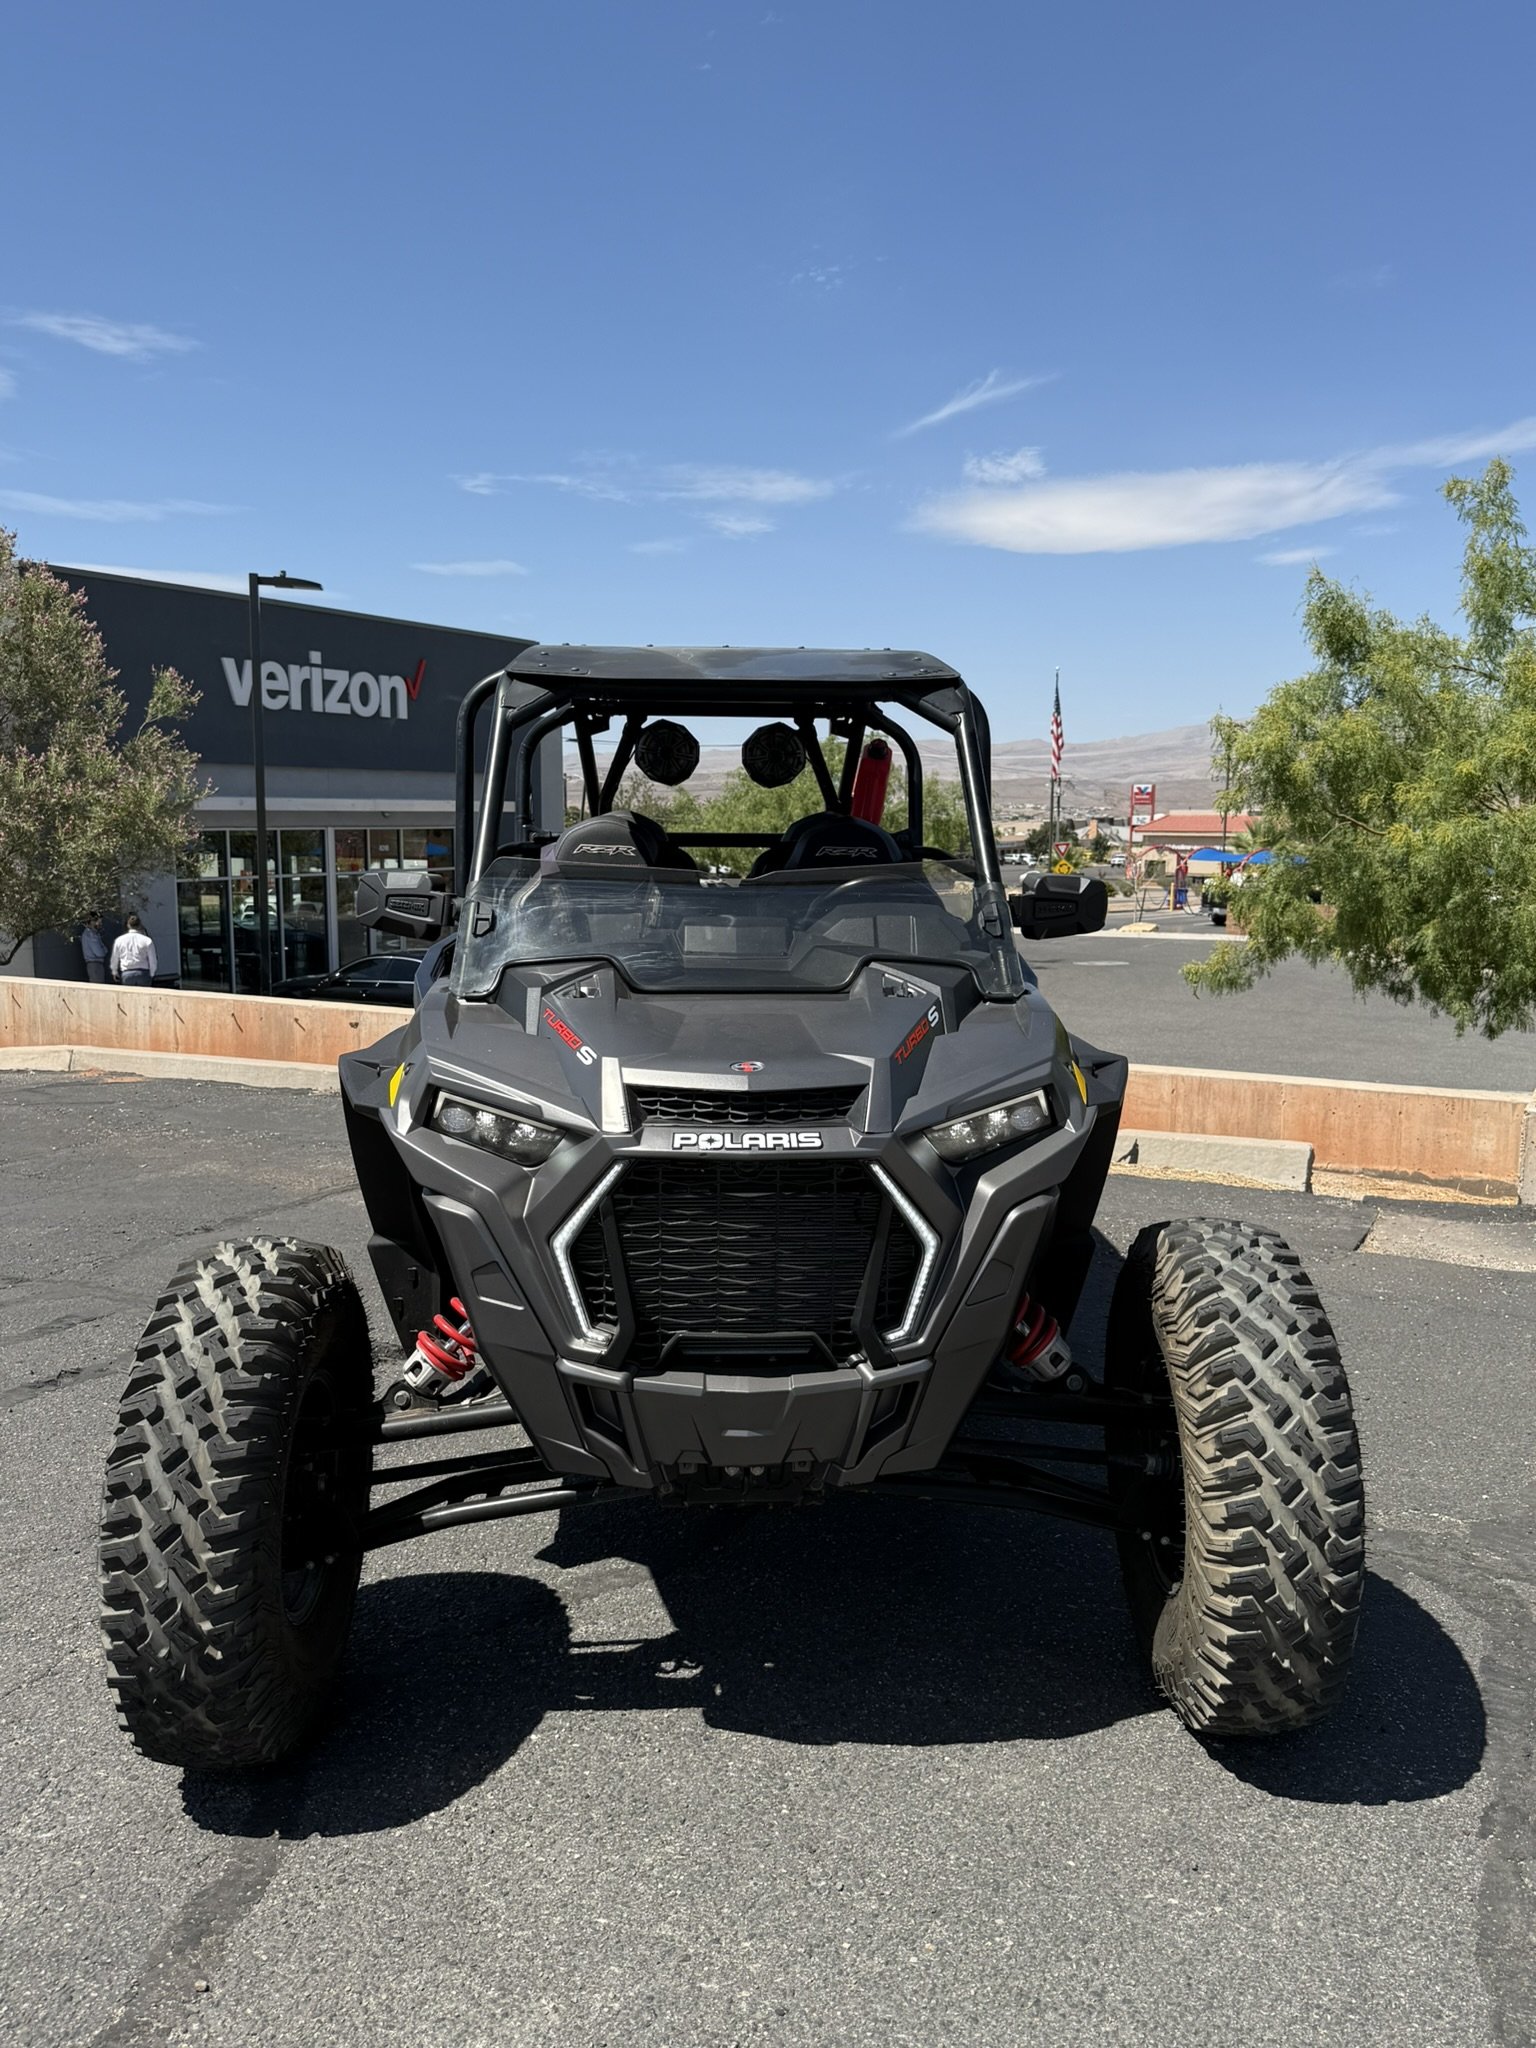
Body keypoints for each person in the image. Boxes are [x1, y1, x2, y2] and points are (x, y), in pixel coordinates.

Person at [110, 914, 158, 988]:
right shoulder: (147, 940)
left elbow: (115, 958)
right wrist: (152, 974)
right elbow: (153, 960)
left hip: (127, 973)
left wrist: (114, 972)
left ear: (128, 925)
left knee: (129, 998)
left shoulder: (119, 940)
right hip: (143, 973)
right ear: (140, 925)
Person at [81, 913, 110, 984]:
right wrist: (103, 950)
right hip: (94, 965)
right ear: (92, 922)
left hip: (96, 964)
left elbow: (104, 949)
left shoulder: (95, 934)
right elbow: (99, 953)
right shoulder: (90, 935)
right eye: (99, 922)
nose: (100, 924)